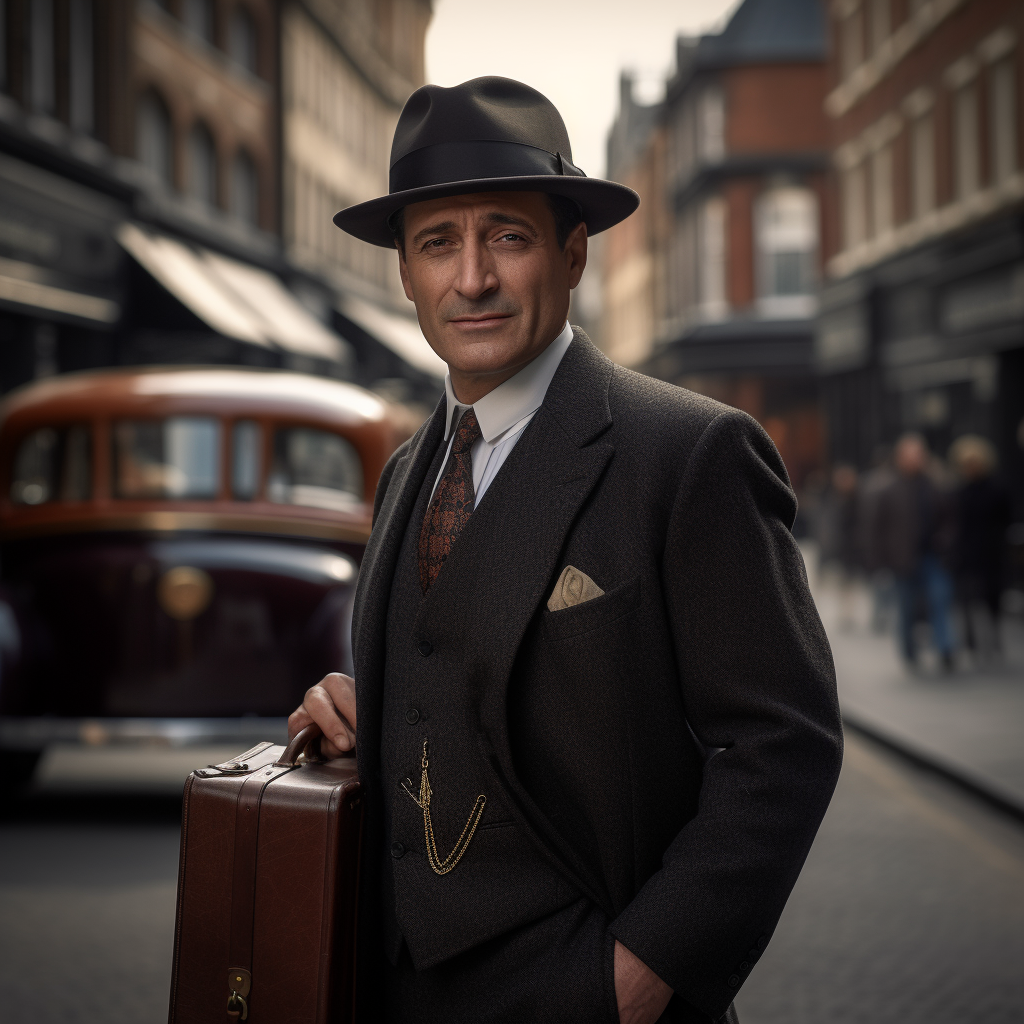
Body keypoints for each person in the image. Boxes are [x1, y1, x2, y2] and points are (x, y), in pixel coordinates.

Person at [289, 77, 842, 1024]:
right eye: (437, 245)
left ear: (573, 252)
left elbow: (783, 744)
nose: (472, 278)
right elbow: (441, 686)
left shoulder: (688, 453)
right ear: (406, 274)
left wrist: (638, 971)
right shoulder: (406, 469)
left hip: (585, 994)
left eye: (506, 235)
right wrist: (353, 712)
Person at [874, 433, 956, 669]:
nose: (915, 460)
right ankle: (909, 651)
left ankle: (945, 647)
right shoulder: (888, 489)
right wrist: (880, 560)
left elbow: (950, 518)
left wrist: (946, 540)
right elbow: (878, 528)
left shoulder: (935, 484)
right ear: (900, 458)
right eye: (910, 455)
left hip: (933, 556)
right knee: (907, 609)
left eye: (919, 455)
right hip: (903, 560)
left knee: (939, 600)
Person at [949, 435, 1010, 658]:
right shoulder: (958, 491)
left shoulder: (996, 489)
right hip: (966, 554)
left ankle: (993, 639)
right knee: (967, 600)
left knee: (992, 598)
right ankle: (971, 642)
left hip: (991, 553)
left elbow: (1006, 518)